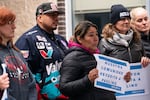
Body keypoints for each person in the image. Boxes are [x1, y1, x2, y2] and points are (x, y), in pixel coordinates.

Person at [59, 21, 130, 100]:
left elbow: (105, 86)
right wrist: (88, 79)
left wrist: (121, 78)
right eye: (91, 35)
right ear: (79, 38)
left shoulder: (98, 56)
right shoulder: (73, 58)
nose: (96, 38)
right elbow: (64, 88)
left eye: (96, 34)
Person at [15, 2, 68, 100]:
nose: (56, 18)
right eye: (51, 15)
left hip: (64, 94)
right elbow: (22, 73)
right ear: (39, 18)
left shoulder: (61, 40)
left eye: (57, 15)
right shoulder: (28, 39)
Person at [0, 6, 37, 100]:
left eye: (13, 22)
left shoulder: (17, 53)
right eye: (9, 23)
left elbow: (31, 84)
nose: (14, 26)